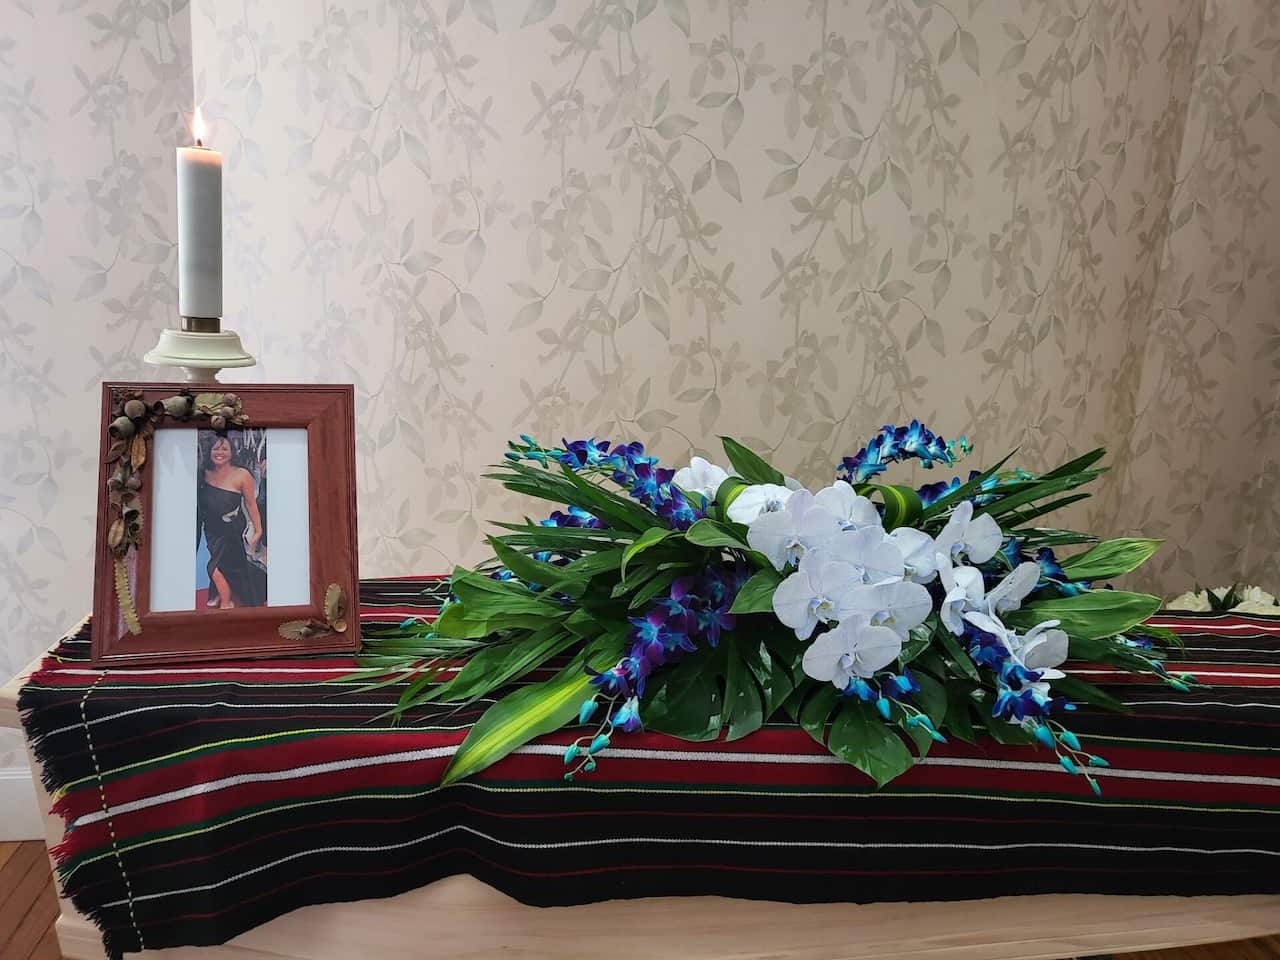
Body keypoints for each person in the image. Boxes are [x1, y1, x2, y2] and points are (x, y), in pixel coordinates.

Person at [198, 434, 267, 608]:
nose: (219, 452)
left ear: (231, 452)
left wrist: (258, 531)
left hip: (232, 528)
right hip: (211, 530)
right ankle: (216, 592)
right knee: (226, 564)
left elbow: (251, 505)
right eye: (216, 449)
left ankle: (226, 602)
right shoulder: (203, 472)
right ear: (210, 452)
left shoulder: (242, 475)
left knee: (212, 567)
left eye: (224, 449)